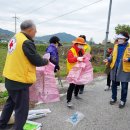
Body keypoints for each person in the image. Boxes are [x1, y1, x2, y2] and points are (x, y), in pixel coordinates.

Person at [0, 20, 48, 130]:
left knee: (10, 103)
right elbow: (36, 60)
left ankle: (2, 125)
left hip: (10, 77)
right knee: (21, 110)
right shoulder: (26, 42)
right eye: (35, 31)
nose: (35, 33)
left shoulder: (15, 38)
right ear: (30, 30)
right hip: (19, 80)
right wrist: (46, 61)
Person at [104, 31, 130, 108]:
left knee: (124, 86)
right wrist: (108, 59)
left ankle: (123, 100)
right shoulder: (116, 46)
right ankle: (113, 98)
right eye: (118, 38)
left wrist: (128, 59)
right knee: (114, 84)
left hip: (124, 68)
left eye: (120, 38)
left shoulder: (129, 46)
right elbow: (112, 56)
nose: (119, 39)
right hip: (115, 67)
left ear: (125, 39)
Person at [66, 37, 86, 107]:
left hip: (80, 70)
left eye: (83, 44)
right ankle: (68, 100)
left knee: (79, 83)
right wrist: (77, 58)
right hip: (73, 71)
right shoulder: (71, 50)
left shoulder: (82, 50)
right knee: (72, 85)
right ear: (76, 44)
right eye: (81, 44)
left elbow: (84, 58)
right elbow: (70, 60)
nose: (82, 46)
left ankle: (76, 94)